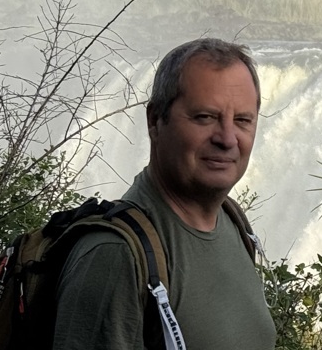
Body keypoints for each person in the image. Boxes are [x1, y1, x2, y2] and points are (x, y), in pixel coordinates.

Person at [53, 38, 277, 350]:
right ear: (155, 121)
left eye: (242, 120)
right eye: (205, 117)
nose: (227, 138)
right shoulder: (114, 255)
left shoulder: (233, 222)